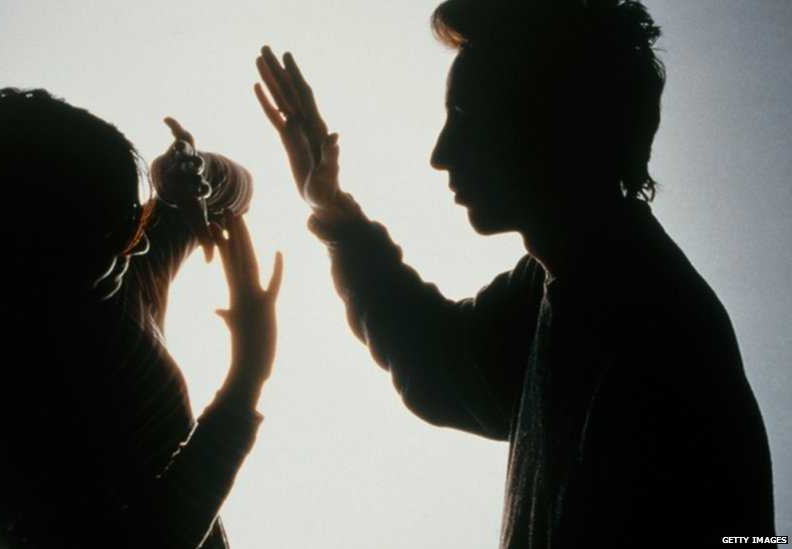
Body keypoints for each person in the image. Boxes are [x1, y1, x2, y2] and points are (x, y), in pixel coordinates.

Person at [254, 0, 775, 545]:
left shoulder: (659, 343)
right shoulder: (553, 287)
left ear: (554, 125)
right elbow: (438, 359)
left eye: (466, 118)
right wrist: (335, 211)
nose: (440, 154)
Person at [0, 88, 282, 548]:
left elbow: (233, 196)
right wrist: (247, 376)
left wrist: (186, 176)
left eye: (134, 218)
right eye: (115, 227)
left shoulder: (120, 281)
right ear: (43, 238)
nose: (139, 242)